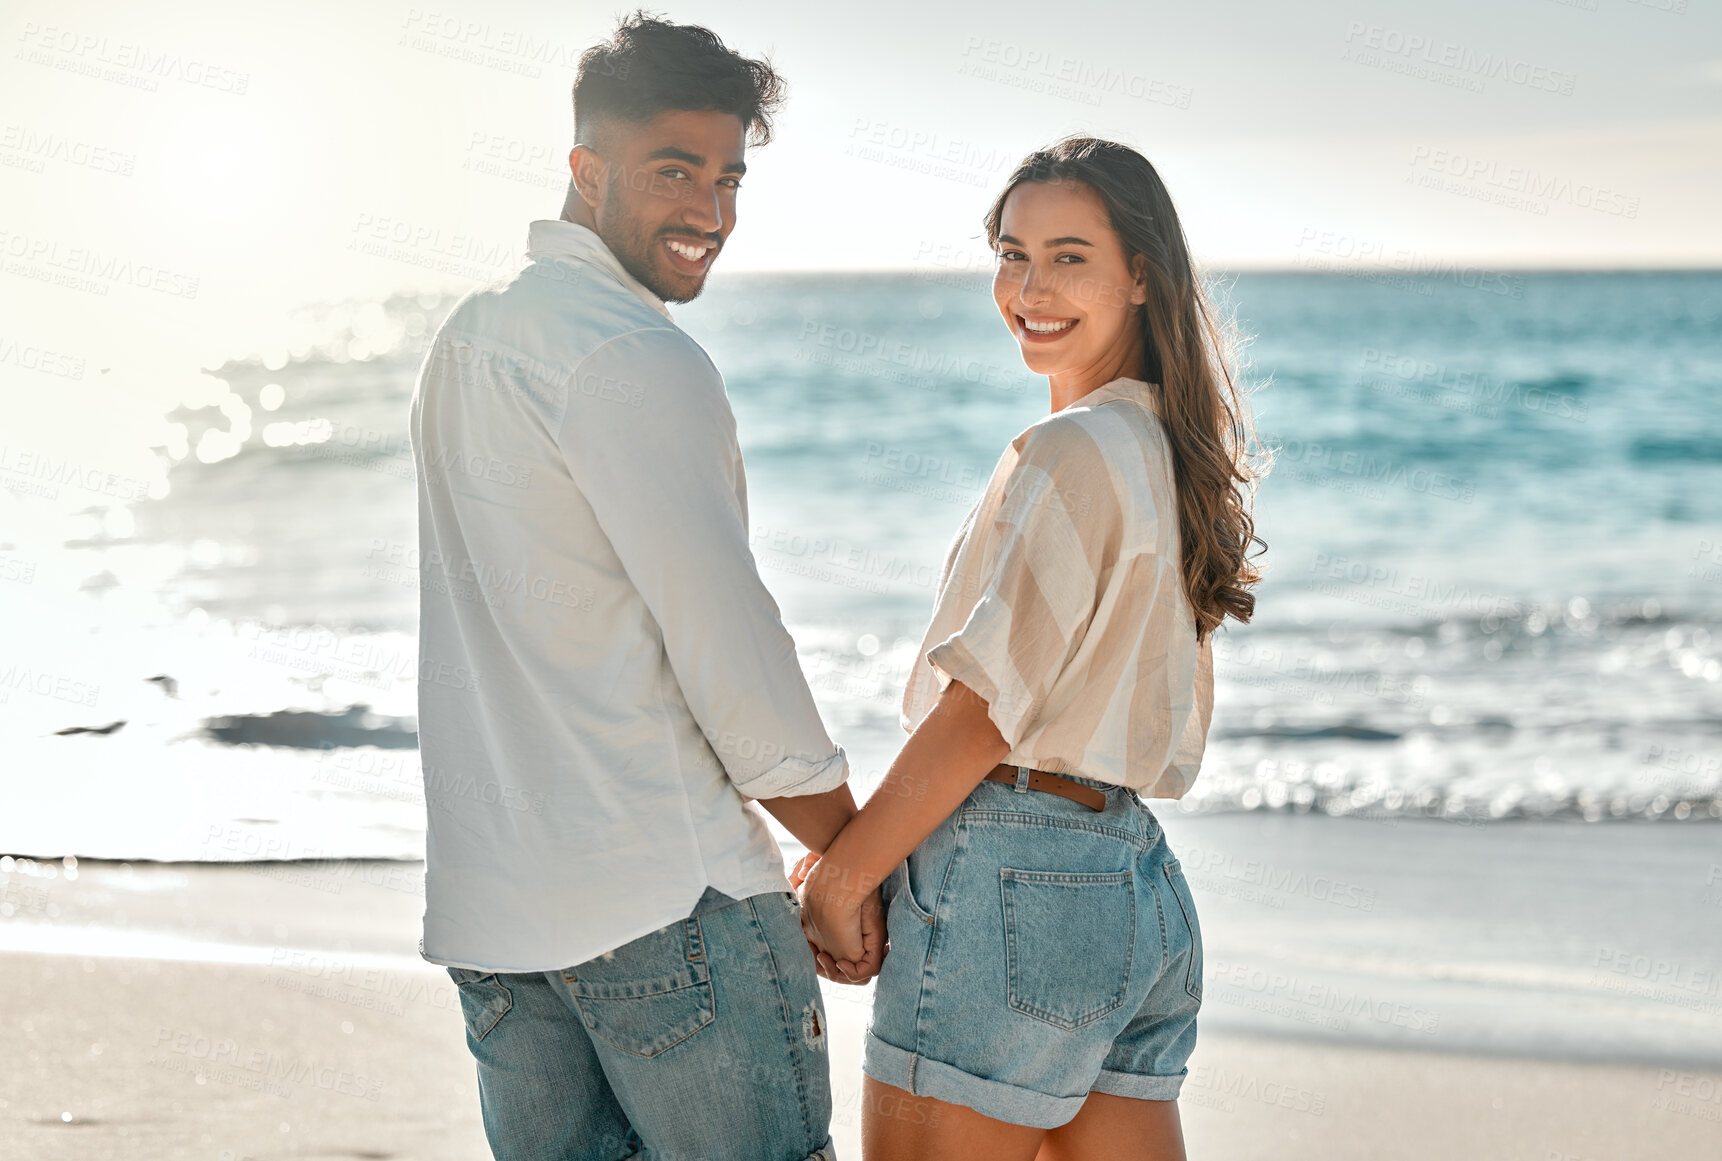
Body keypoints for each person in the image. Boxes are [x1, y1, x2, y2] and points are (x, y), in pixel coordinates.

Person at [409, 14, 881, 1161]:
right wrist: (855, 857)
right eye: (676, 171)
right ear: (586, 168)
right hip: (669, 914)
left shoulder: (467, 340)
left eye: (728, 178)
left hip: (501, 918)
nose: (710, 213)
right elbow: (733, 658)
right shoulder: (634, 356)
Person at [797, 136, 1266, 1160]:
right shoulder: (1171, 457)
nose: (1029, 287)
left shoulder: (1072, 448)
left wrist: (844, 872)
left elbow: (986, 712)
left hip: (1014, 882)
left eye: (1068, 256)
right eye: (1012, 255)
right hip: (1137, 887)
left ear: (1142, 273)